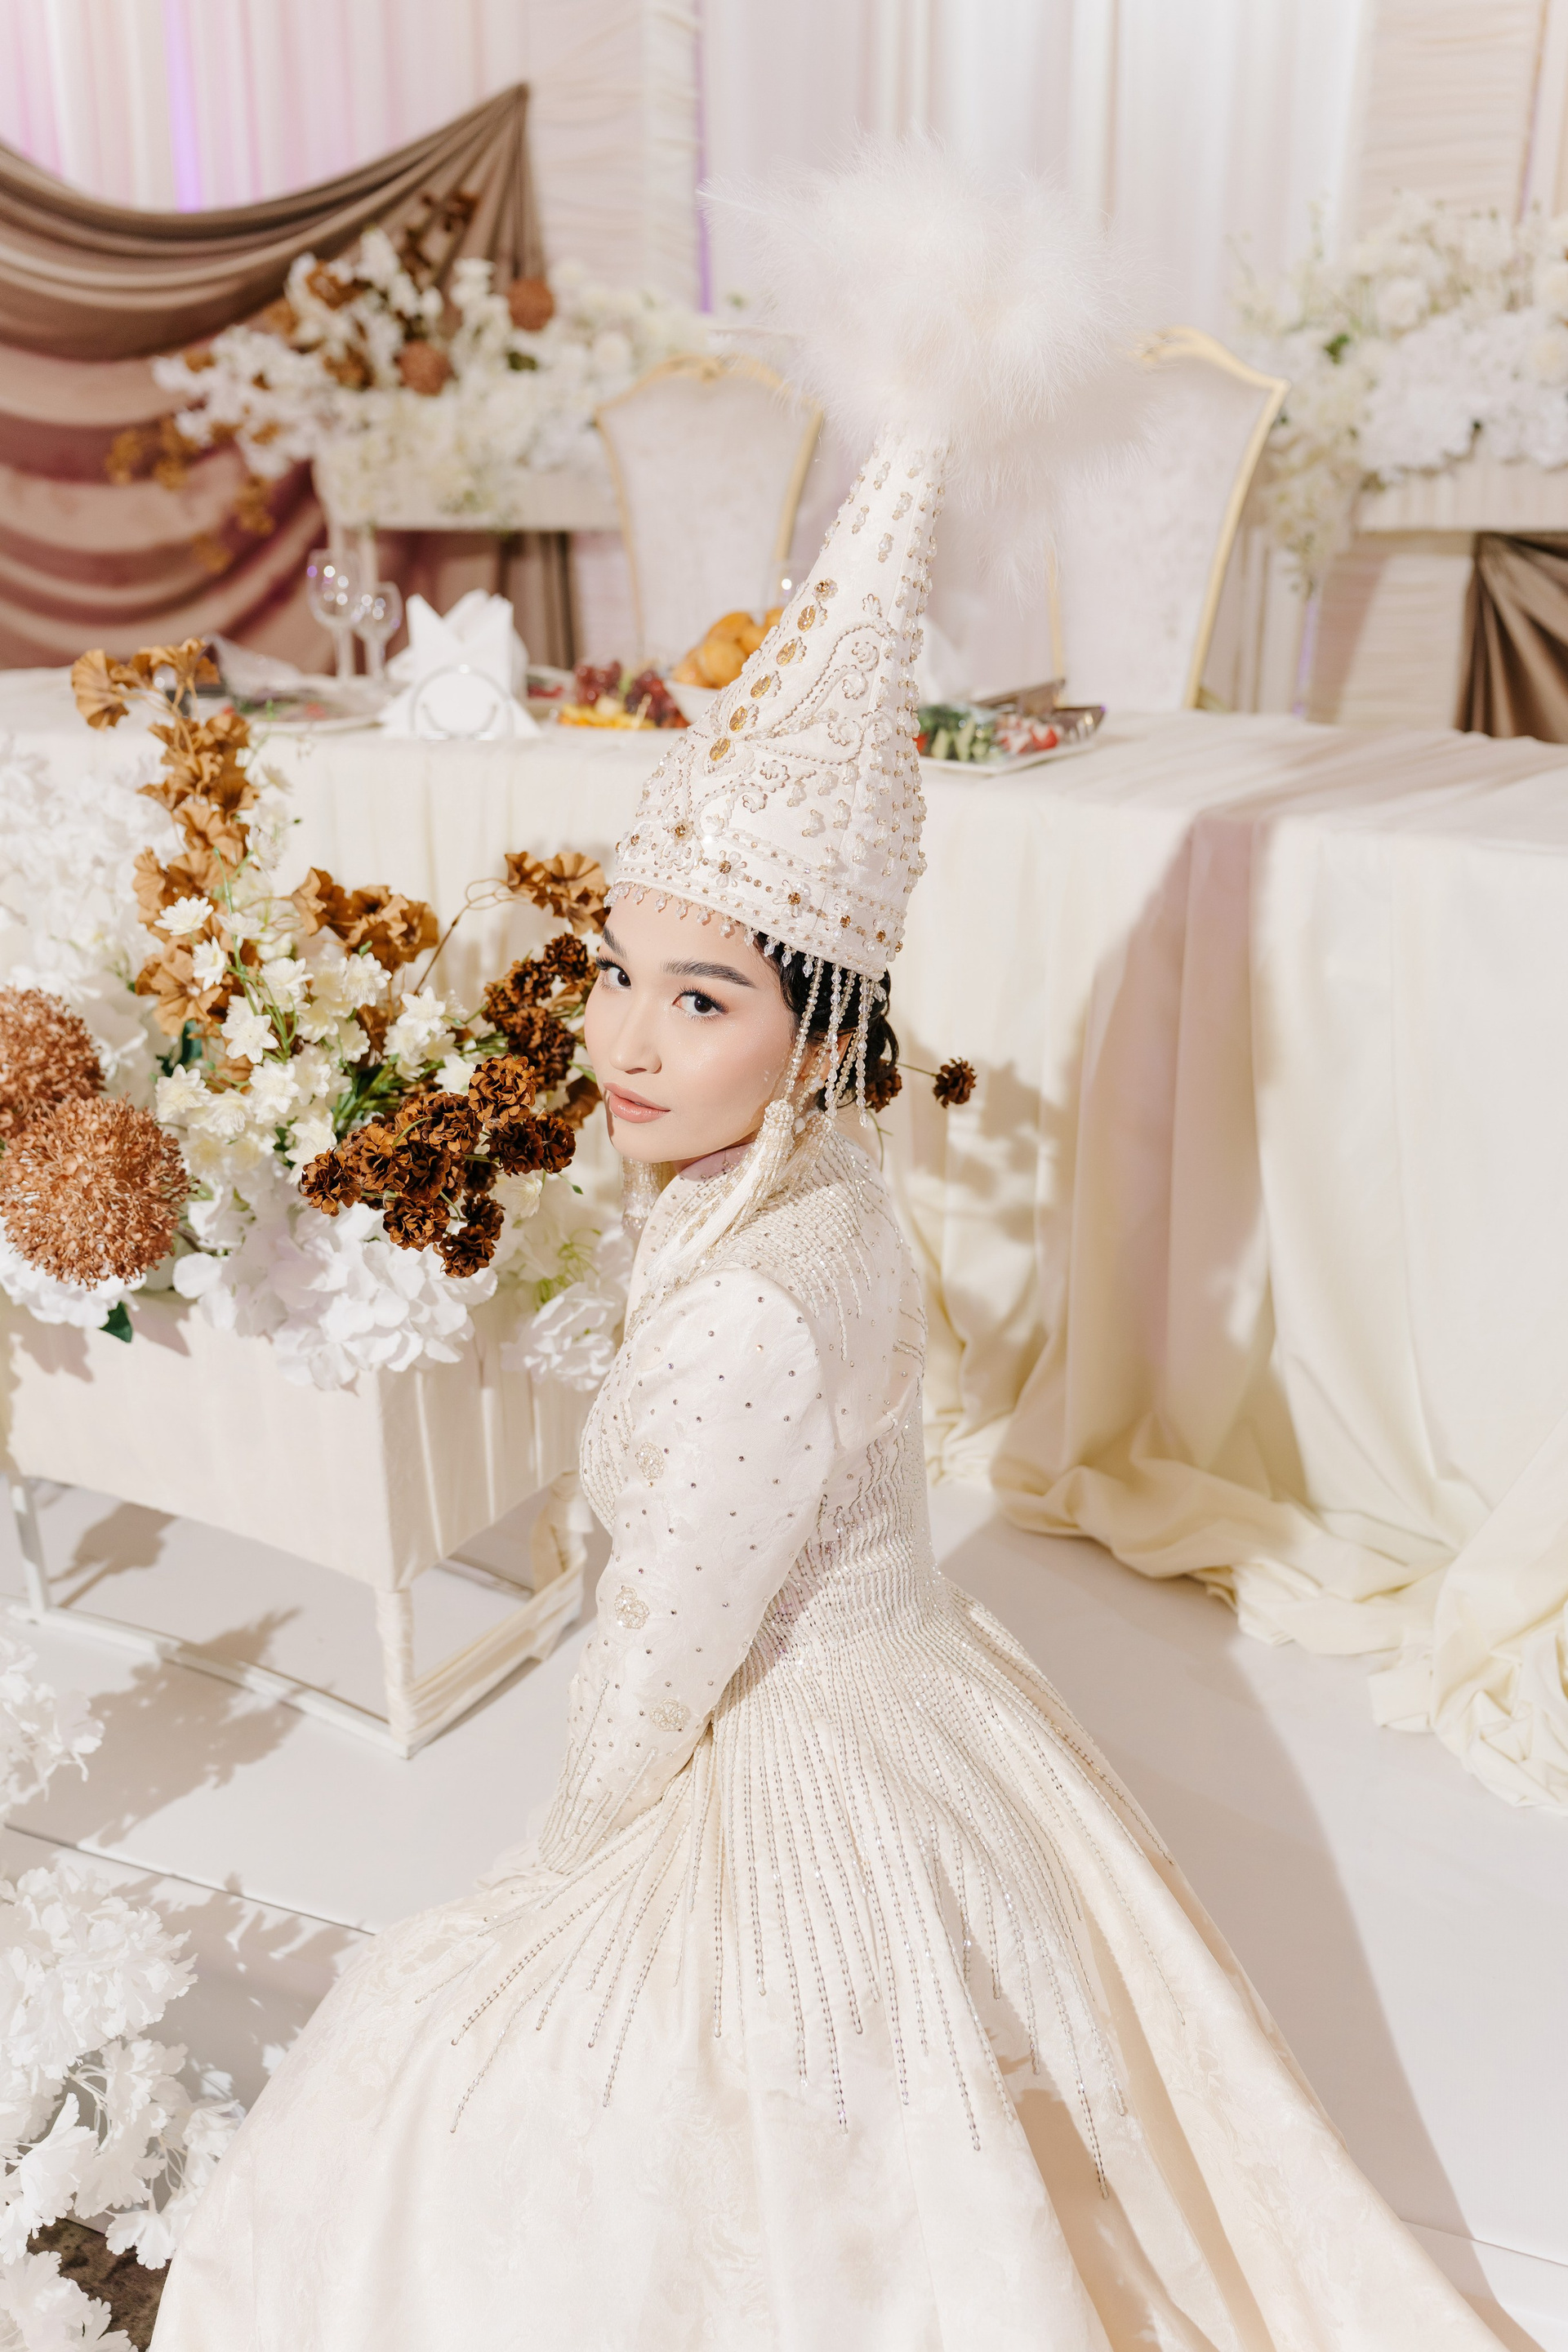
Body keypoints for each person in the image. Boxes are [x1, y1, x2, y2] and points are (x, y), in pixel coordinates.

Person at [151, 149, 1500, 2351]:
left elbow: (647, 1693)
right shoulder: (813, 1191)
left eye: (702, 1001)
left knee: (457, 2065)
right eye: (619, 974)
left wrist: (543, 1883)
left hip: (799, 1769)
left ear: (821, 1032)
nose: (625, 1039)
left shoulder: (756, 1313)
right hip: (918, 1694)